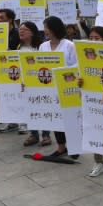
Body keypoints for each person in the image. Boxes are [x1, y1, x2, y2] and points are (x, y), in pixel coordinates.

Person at [40, 16, 78, 157]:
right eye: (44, 28)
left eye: (47, 28)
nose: (45, 31)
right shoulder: (43, 46)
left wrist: (60, 71)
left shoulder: (69, 45)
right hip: (50, 88)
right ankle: (61, 147)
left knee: (70, 118)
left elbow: (76, 65)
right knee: (56, 118)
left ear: (55, 28)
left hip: (67, 87)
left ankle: (75, 147)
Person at [85, 25, 103, 176]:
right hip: (94, 99)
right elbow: (82, 74)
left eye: (97, 38)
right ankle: (98, 161)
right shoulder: (86, 56)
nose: (93, 41)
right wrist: (81, 82)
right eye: (91, 38)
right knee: (96, 128)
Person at [16, 21, 49, 145]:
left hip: (40, 82)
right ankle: (33, 134)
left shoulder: (41, 47)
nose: (21, 31)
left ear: (33, 32)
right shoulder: (19, 47)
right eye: (20, 29)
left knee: (43, 107)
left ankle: (46, 135)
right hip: (24, 83)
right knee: (29, 108)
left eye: (25, 29)